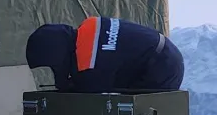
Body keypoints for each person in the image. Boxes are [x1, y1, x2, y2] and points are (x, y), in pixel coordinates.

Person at [25, 16, 184, 93]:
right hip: (167, 53)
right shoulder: (89, 28)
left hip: (162, 68)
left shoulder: (90, 63)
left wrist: (65, 85)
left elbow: (90, 95)